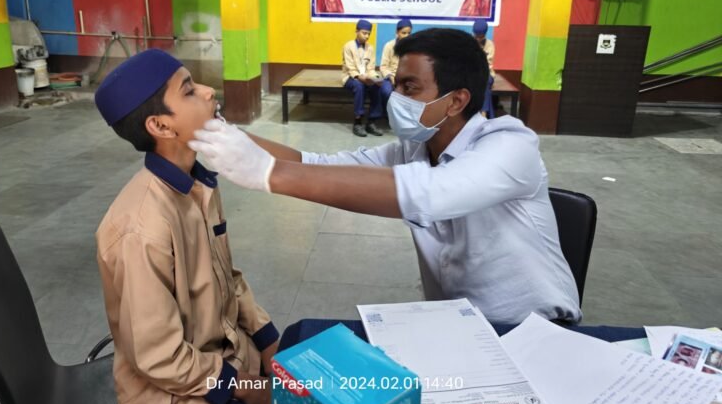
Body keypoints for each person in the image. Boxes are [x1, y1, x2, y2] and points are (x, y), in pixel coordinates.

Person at [190, 29, 582, 326]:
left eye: (410, 87)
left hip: (535, 327)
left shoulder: (509, 146)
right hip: (461, 324)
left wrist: (267, 173)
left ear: (457, 99)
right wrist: (223, 132)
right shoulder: (413, 149)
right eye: (396, 84)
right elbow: (316, 164)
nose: (396, 97)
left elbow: (430, 194)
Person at [94, 49, 278, 404]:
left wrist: (267, 339)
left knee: (313, 369)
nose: (210, 92)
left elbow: (229, 277)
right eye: (190, 90)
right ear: (161, 127)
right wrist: (242, 386)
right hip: (176, 397)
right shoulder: (140, 229)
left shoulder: (198, 183)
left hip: (223, 355)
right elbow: (158, 355)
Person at [342, 19, 383, 137]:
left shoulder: (370, 48)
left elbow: (371, 68)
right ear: (356, 31)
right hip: (350, 76)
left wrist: (377, 78)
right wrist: (362, 78)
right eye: (364, 33)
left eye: (369, 33)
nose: (367, 36)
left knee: (378, 86)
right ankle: (358, 122)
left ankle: (371, 122)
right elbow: (350, 68)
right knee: (359, 86)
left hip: (366, 76)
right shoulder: (348, 46)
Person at [379, 18, 413, 113]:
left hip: (406, 78)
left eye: (409, 33)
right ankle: (387, 114)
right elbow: (383, 66)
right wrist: (390, 77)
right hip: (390, 77)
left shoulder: (413, 48)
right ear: (397, 32)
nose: (406, 36)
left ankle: (403, 117)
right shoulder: (389, 46)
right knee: (386, 92)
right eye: (403, 33)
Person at [472, 20, 495, 118]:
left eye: (480, 36)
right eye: (476, 36)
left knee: (484, 81)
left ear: (484, 34)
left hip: (486, 73)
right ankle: (483, 113)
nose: (478, 38)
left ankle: (484, 113)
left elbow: (488, 64)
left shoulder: (490, 45)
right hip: (471, 72)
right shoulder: (469, 42)